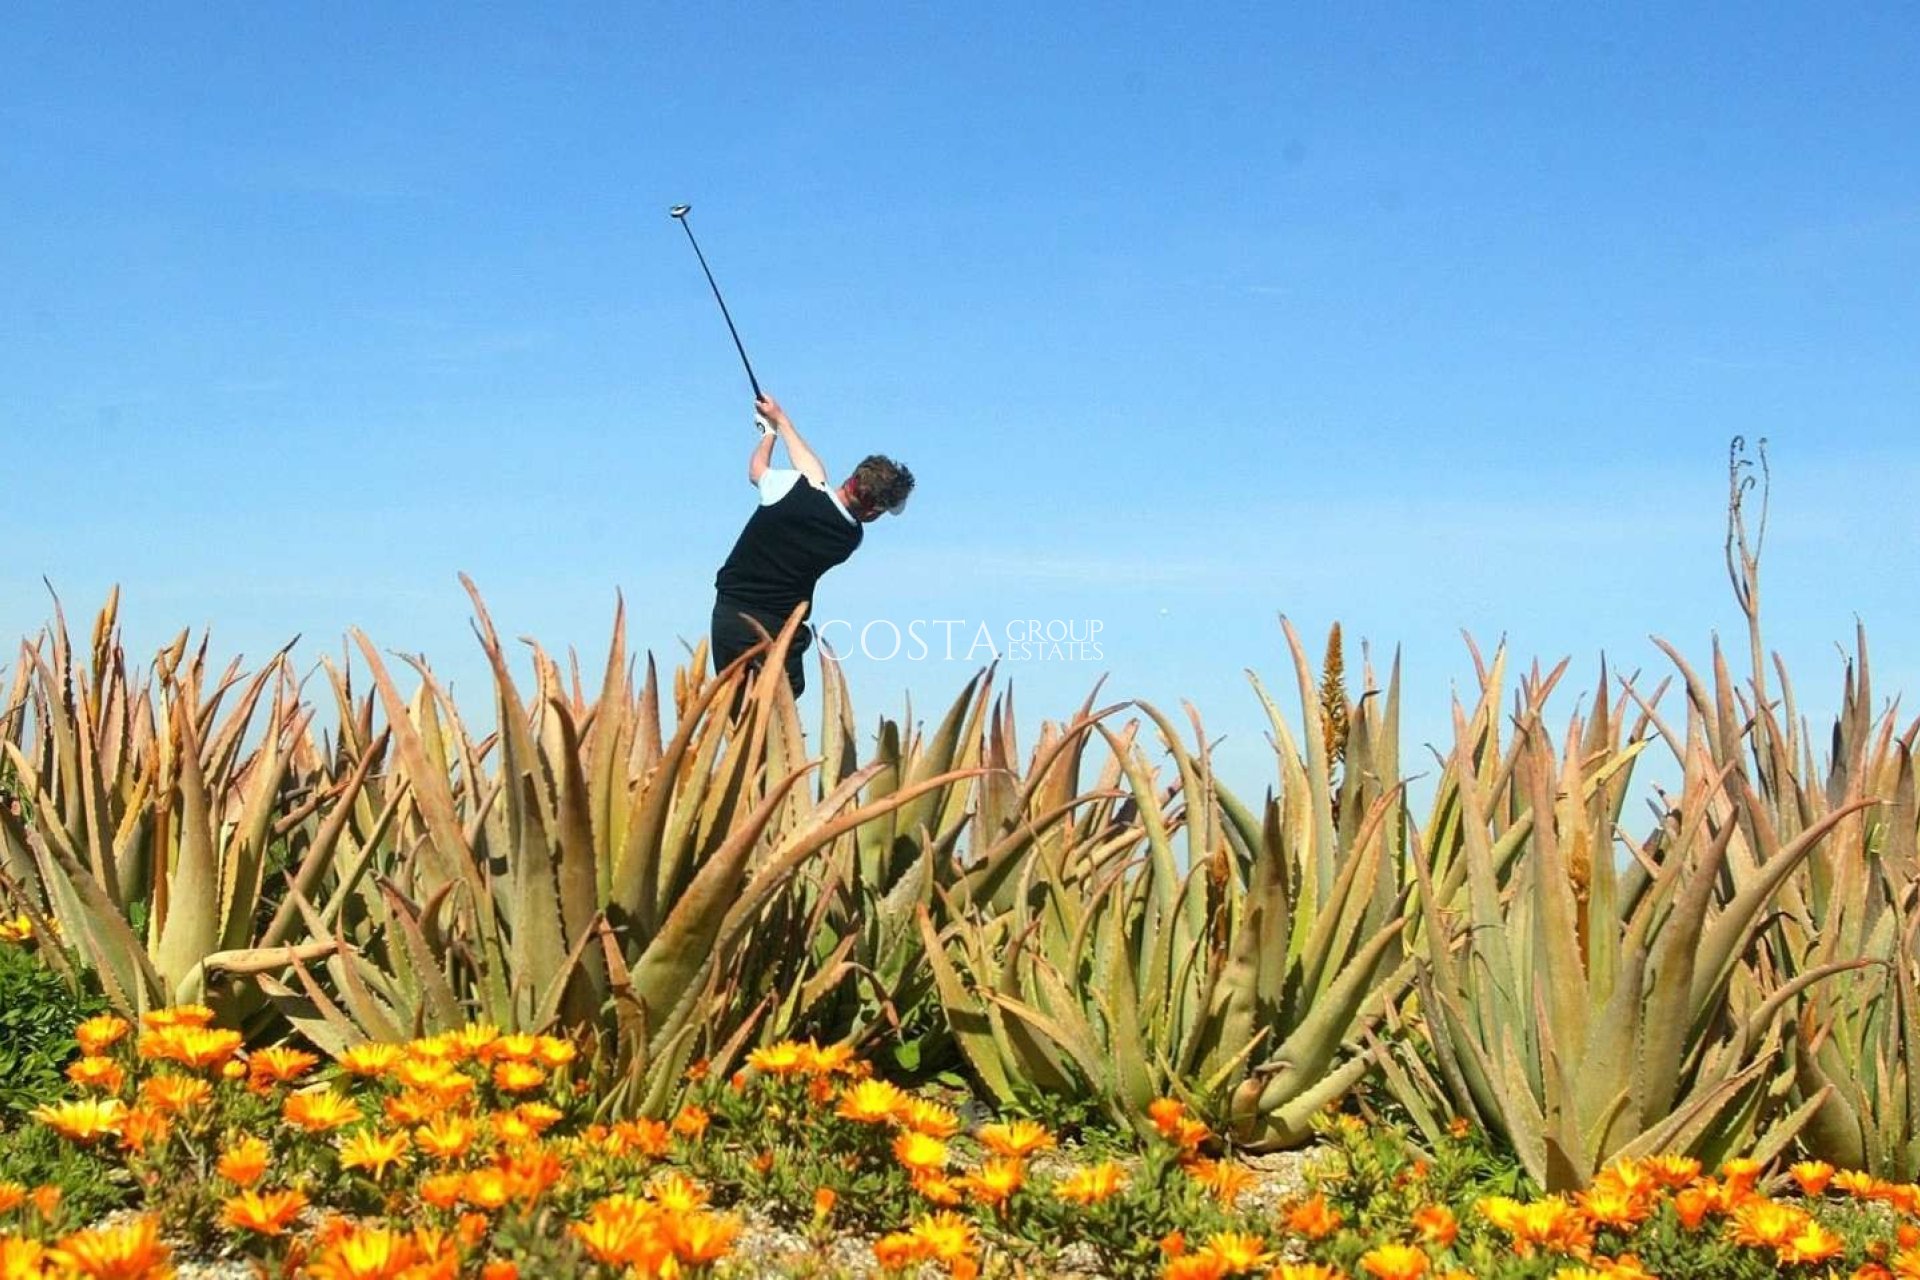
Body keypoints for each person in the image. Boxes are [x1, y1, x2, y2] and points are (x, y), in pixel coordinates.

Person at [711, 393, 914, 696]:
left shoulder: (790, 489)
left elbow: (758, 470)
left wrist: (769, 435)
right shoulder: (848, 538)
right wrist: (781, 421)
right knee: (778, 719)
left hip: (730, 617)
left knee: (737, 712)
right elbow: (815, 478)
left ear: (852, 478)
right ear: (872, 512)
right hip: (780, 632)